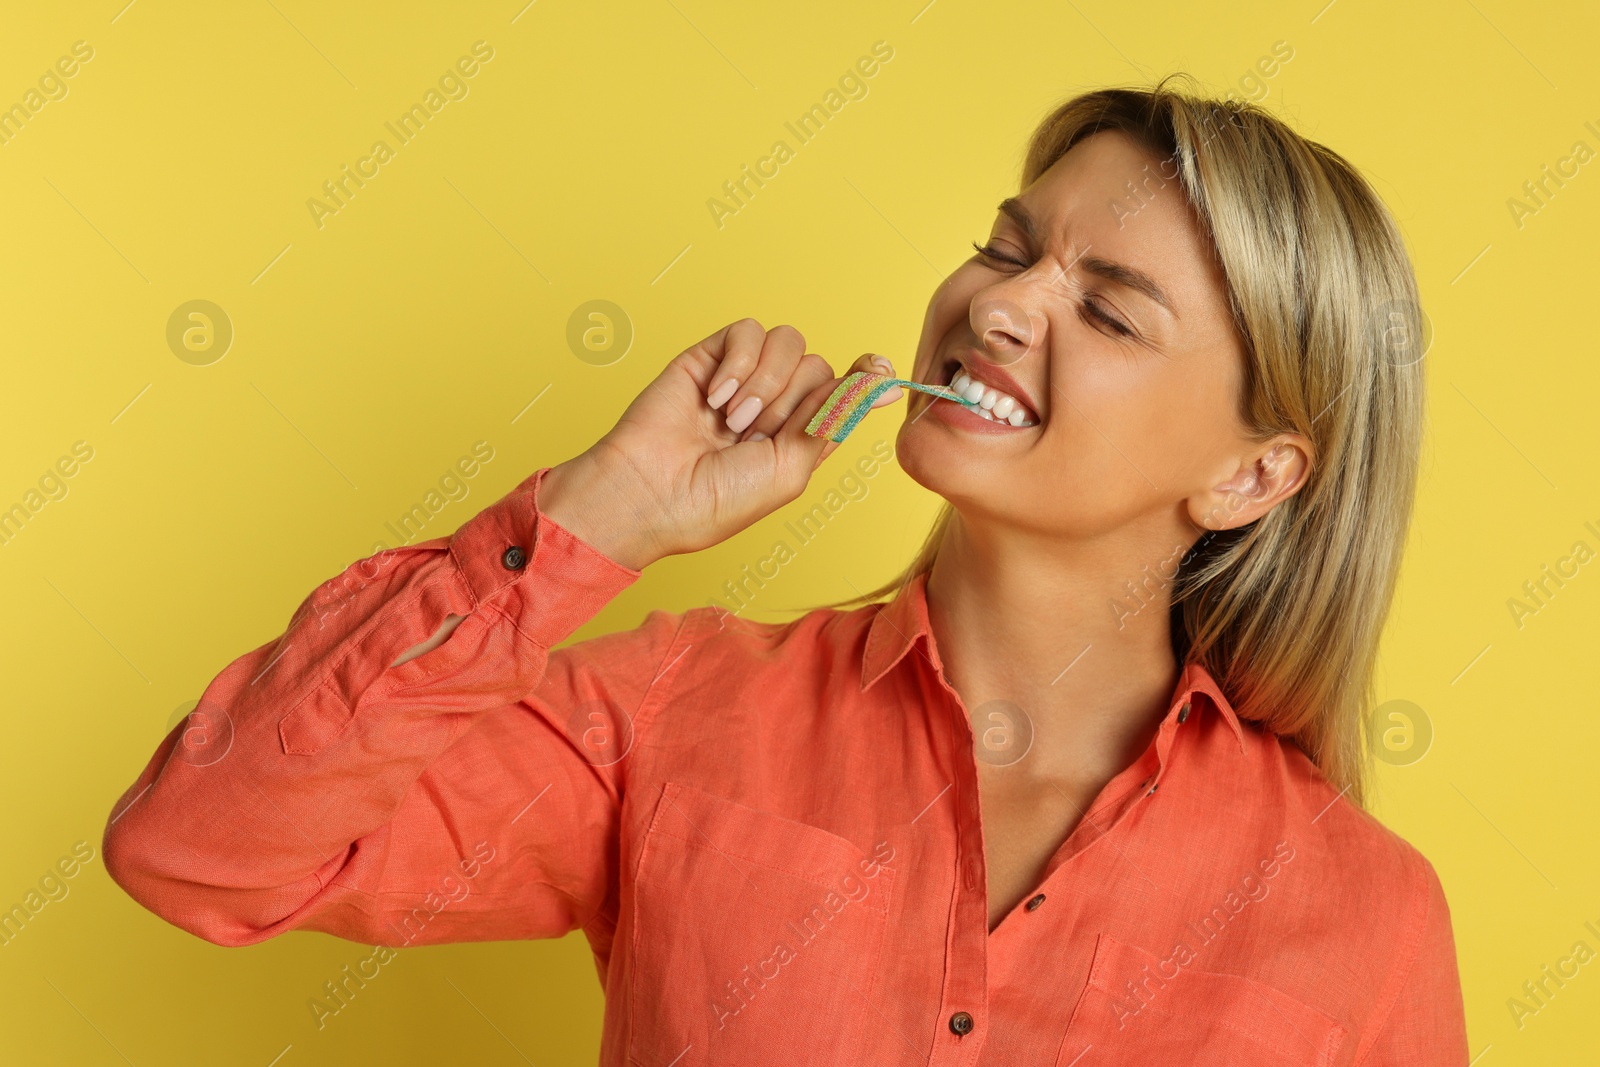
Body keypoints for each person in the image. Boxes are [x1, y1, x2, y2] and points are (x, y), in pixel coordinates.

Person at [103, 76, 1467, 1065]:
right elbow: (201, 850)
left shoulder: (1367, 916)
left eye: (1106, 308)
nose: (1000, 304)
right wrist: (603, 514)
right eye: (1006, 247)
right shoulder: (676, 717)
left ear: (1250, 476)